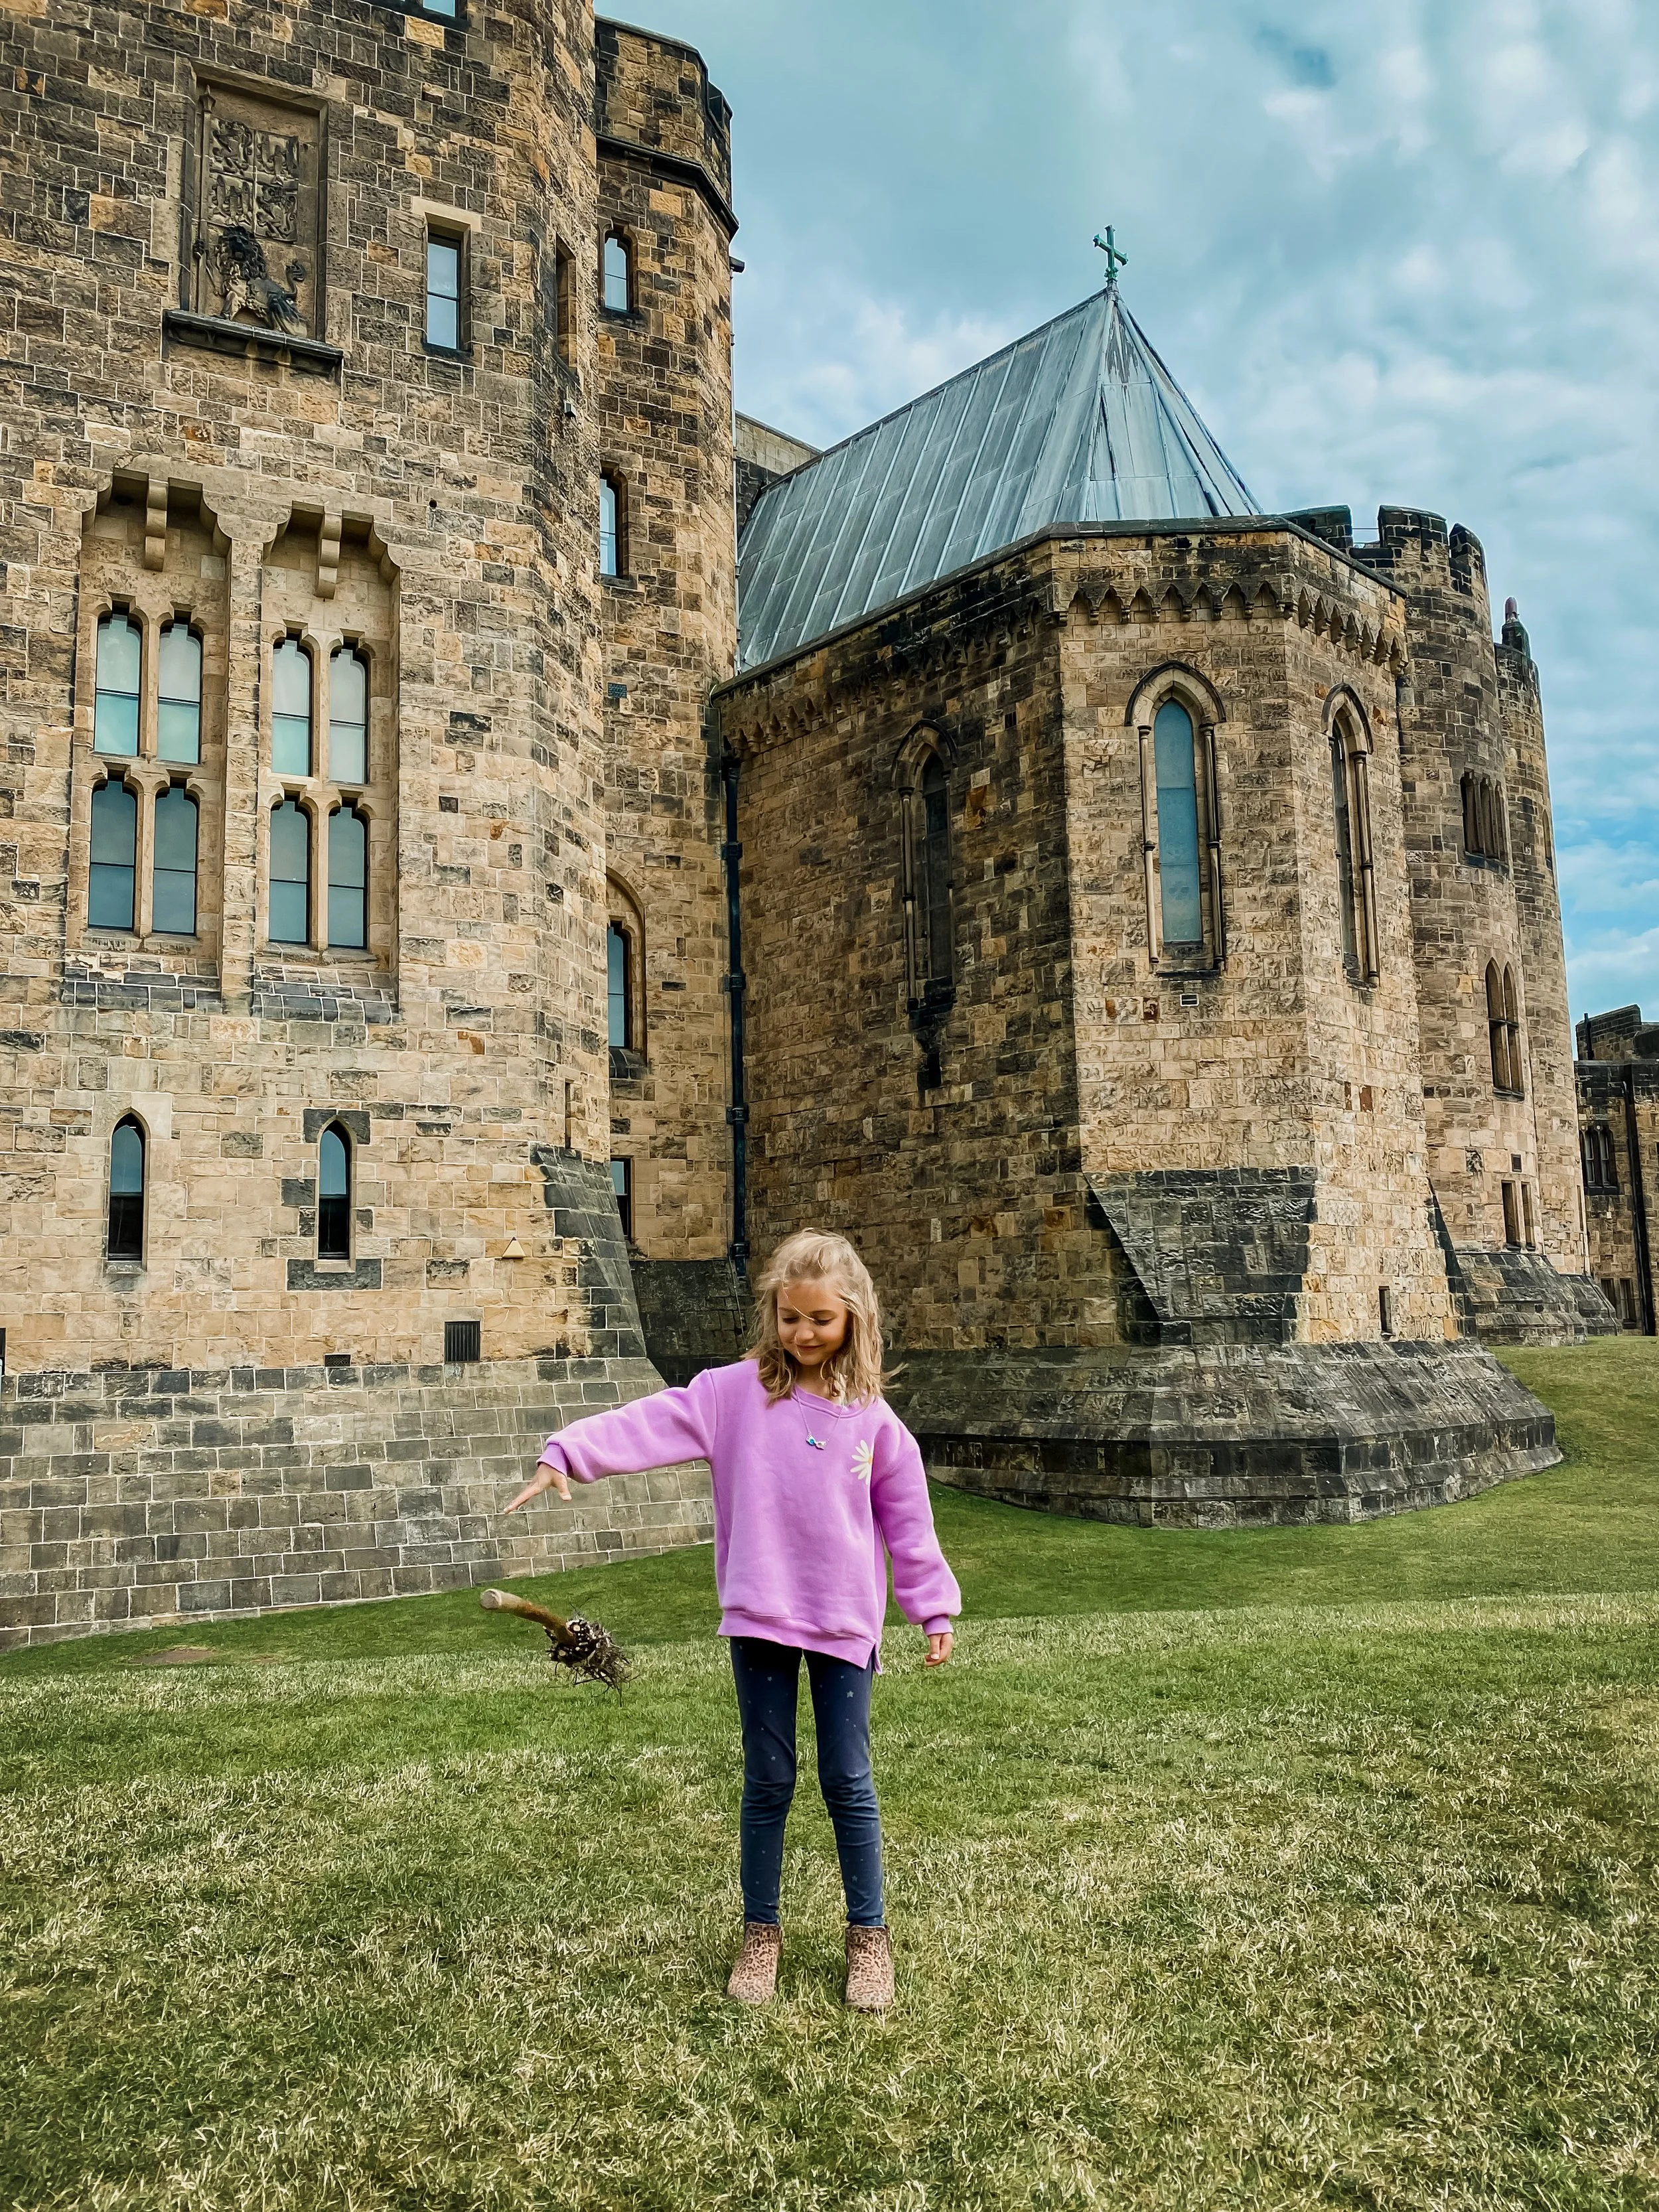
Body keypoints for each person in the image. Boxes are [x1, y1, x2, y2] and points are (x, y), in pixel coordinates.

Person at [505, 1227, 960, 2011]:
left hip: (844, 1621)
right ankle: (761, 1935)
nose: (804, 1334)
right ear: (772, 1315)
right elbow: (649, 1421)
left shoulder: (874, 1422)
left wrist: (931, 1607)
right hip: (758, 1617)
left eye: (821, 1319)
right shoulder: (733, 1393)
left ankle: (869, 1940)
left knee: (847, 1780)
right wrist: (566, 1454)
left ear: (853, 1318)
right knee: (768, 1780)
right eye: (790, 1318)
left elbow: (908, 1521)